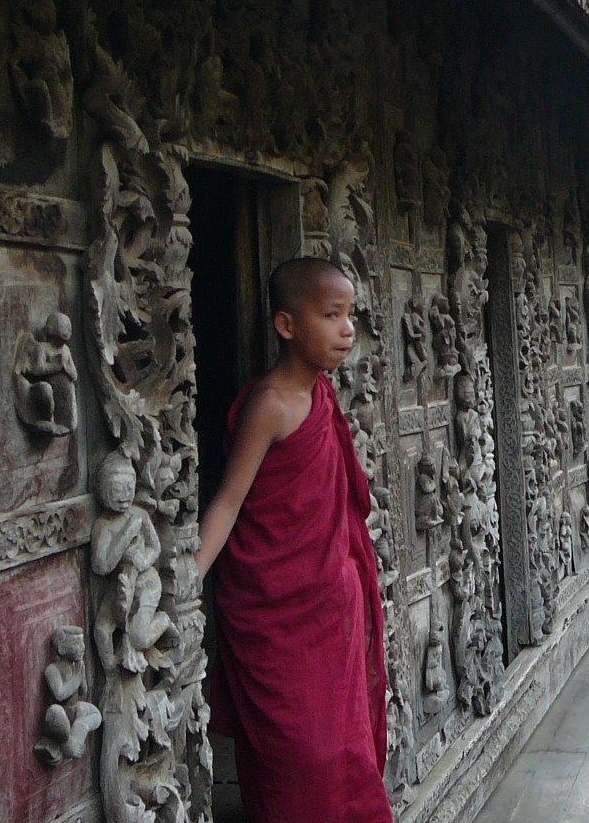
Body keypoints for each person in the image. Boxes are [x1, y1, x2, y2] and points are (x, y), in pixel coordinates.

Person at [194, 257, 390, 822]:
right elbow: (229, 502)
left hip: (331, 612)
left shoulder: (322, 395)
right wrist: (189, 579)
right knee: (298, 756)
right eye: (331, 315)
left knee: (344, 750)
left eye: (350, 315)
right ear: (286, 325)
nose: (347, 329)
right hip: (276, 614)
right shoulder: (271, 405)